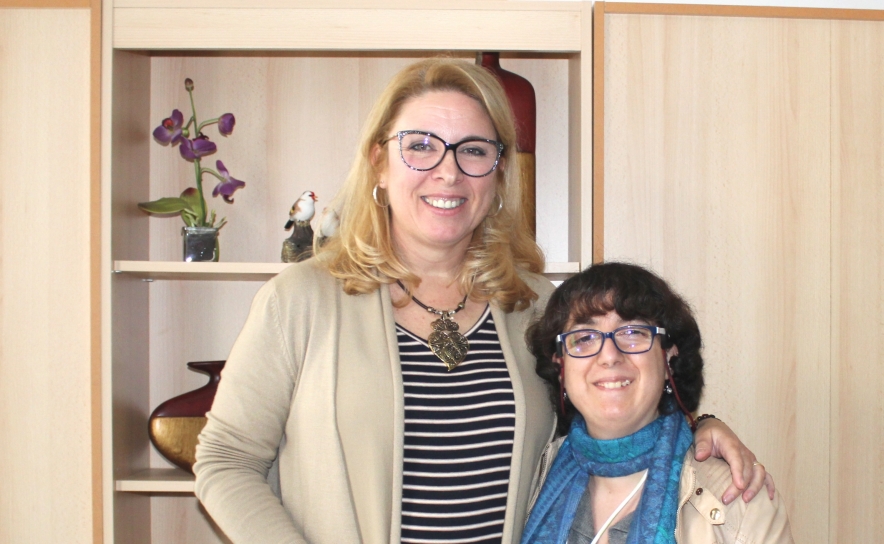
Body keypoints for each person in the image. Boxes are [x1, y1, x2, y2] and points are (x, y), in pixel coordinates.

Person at [193, 58, 769, 544]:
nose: (448, 173)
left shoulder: (536, 307)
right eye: (421, 146)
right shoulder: (300, 301)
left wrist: (699, 424)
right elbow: (225, 460)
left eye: (472, 150)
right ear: (379, 163)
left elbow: (611, 409)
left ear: (498, 174)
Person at [521, 262, 792, 543]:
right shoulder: (528, 481)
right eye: (585, 337)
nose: (609, 356)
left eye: (633, 332)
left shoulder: (740, 506)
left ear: (668, 359)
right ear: (560, 366)